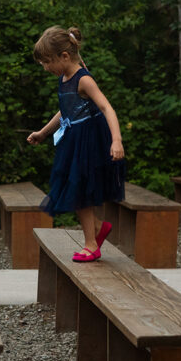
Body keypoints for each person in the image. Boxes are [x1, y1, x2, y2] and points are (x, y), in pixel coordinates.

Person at [27, 26, 126, 262]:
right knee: (75, 190)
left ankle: (92, 243)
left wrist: (117, 140)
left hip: (90, 141)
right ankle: (98, 229)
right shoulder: (63, 79)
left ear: (64, 56)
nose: (45, 68)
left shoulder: (84, 79)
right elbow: (65, 111)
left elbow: (106, 107)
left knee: (80, 191)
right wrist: (43, 132)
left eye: (48, 62)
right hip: (73, 140)